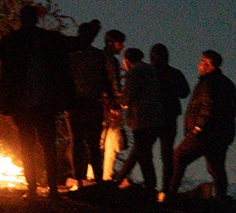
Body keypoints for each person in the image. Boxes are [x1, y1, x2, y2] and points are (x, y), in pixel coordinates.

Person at [0, 5, 72, 198]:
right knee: (47, 145)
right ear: (36, 19)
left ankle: (34, 189)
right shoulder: (46, 39)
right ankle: (50, 190)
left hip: (26, 104)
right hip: (41, 103)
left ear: (22, 19)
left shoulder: (14, 40)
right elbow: (75, 44)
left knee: (31, 145)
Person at [165, 50, 236, 198]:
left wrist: (198, 127)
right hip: (221, 135)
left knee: (179, 156)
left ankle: (169, 194)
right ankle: (220, 200)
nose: (198, 65)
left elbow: (208, 105)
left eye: (201, 62)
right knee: (216, 168)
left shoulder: (208, 82)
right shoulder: (228, 84)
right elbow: (232, 110)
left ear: (208, 65)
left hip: (204, 134)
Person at [111, 48, 169, 191]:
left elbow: (129, 94)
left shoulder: (134, 72)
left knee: (140, 152)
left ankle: (123, 181)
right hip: (156, 117)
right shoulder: (151, 71)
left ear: (127, 60)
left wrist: (119, 102)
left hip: (141, 118)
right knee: (142, 152)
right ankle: (144, 184)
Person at [64, 21, 107, 184]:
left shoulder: (70, 55)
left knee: (78, 142)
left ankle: (80, 180)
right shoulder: (98, 55)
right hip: (91, 103)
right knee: (92, 144)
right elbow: (104, 79)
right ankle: (97, 179)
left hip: (78, 103)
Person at [150, 44, 190, 189]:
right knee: (166, 154)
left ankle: (151, 185)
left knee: (144, 150)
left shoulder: (149, 72)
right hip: (169, 116)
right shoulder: (175, 73)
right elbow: (185, 92)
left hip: (152, 116)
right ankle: (167, 188)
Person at [100, 29, 128, 180]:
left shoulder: (98, 57)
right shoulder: (112, 61)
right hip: (109, 105)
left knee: (99, 140)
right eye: (120, 43)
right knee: (113, 140)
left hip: (98, 104)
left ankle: (91, 174)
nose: (122, 46)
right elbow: (114, 84)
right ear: (111, 43)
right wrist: (117, 103)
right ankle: (107, 175)